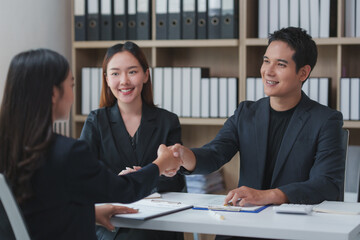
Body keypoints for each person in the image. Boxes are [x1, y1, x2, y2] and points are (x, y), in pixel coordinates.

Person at [168, 27, 345, 239]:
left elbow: (326, 184)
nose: (268, 71)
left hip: (293, 230)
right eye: (266, 60)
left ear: (303, 73)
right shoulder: (246, 113)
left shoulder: (325, 120)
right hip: (243, 227)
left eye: (280, 64)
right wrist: (184, 157)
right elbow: (215, 153)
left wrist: (267, 196)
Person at [0, 48, 181, 240]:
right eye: (71, 84)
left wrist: (91, 214)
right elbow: (124, 190)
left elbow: (38, 209)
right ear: (54, 94)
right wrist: (161, 163)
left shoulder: (10, 146)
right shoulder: (67, 152)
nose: (72, 94)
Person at [79, 41, 185, 240]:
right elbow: (84, 178)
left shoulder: (167, 121)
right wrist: (124, 181)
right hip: (114, 225)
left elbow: (177, 181)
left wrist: (144, 176)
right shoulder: (96, 121)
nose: (124, 81)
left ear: (146, 75)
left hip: (157, 223)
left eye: (132, 72)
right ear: (107, 79)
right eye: (115, 73)